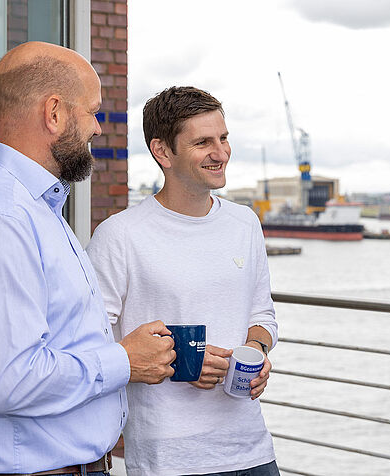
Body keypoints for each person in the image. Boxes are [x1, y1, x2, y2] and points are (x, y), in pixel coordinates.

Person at [0, 42, 176, 475]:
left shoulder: (30, 208)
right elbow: (11, 381)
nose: (97, 127)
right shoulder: (1, 218)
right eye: (92, 111)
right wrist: (124, 360)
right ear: (54, 113)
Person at [86, 86, 279, 476]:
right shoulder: (119, 235)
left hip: (251, 448)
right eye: (203, 142)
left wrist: (256, 351)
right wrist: (181, 361)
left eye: (224, 138)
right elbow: (91, 342)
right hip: (168, 458)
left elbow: (263, 313)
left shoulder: (245, 223)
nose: (221, 153)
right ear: (162, 152)